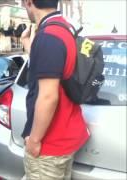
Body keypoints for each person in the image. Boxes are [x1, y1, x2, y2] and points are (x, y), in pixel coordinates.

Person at [20, 0, 90, 179]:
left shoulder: (48, 36)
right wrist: (27, 43)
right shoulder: (63, 28)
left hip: (49, 145)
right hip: (65, 136)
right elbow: (48, 66)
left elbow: (48, 97)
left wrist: (34, 140)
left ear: (29, 2)